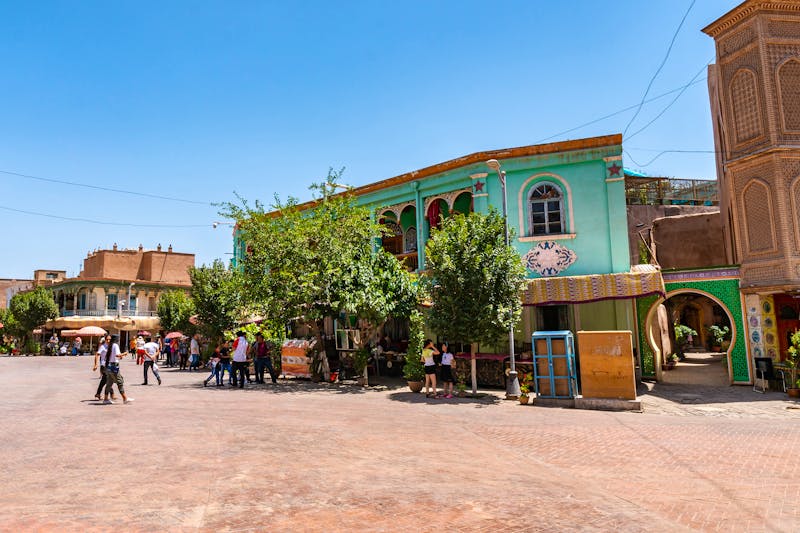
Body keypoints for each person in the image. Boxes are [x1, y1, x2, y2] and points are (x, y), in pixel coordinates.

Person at [102, 334, 133, 405]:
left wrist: (120, 356)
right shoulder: (115, 345)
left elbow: (113, 356)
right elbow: (117, 355)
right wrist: (125, 353)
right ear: (116, 339)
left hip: (109, 365)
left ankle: (106, 399)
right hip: (114, 367)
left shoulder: (110, 345)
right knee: (120, 382)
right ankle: (125, 398)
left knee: (109, 383)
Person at [93, 336, 116, 401]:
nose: (108, 341)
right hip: (104, 366)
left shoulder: (111, 346)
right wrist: (95, 364)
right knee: (108, 380)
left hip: (109, 365)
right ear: (105, 340)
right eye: (107, 339)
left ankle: (98, 393)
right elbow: (97, 354)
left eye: (109, 339)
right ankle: (112, 394)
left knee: (104, 381)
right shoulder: (103, 346)